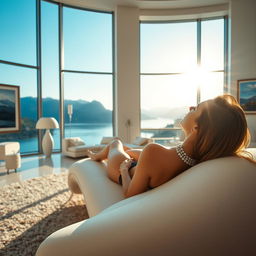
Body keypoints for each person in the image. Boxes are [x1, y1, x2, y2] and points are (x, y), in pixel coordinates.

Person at [88, 94, 254, 198]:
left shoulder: (153, 151)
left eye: (195, 108)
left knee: (116, 142)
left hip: (124, 171)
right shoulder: (197, 159)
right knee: (131, 150)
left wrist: (124, 170)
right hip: (145, 167)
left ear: (197, 128)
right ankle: (125, 153)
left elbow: (129, 194)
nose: (189, 108)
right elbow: (165, 159)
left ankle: (96, 157)